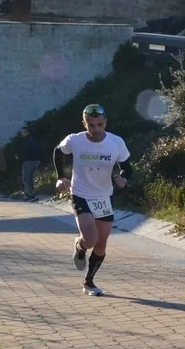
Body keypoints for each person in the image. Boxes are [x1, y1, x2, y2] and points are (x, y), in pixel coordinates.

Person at [53, 105, 133, 297]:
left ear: (105, 123)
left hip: (104, 196)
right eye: (91, 125)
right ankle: (80, 247)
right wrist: (60, 177)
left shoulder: (116, 142)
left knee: (101, 244)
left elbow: (127, 167)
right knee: (90, 238)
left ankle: (88, 282)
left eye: (99, 125)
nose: (96, 129)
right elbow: (58, 151)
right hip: (81, 194)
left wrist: (123, 179)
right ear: (84, 124)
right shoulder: (75, 140)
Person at [17, 127, 40, 201]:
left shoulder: (28, 141)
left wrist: (19, 157)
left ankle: (32, 196)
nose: (22, 133)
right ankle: (28, 194)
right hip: (30, 161)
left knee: (26, 179)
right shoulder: (29, 140)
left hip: (29, 161)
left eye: (24, 132)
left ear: (28, 132)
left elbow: (25, 152)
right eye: (22, 132)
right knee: (28, 179)